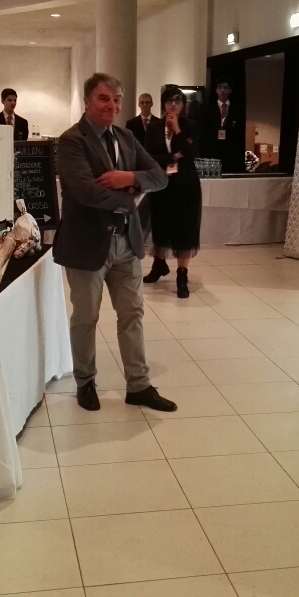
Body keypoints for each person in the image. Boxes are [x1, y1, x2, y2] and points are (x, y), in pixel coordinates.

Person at [53, 72, 176, 413]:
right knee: (86, 318)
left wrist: (128, 177)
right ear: (87, 101)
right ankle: (85, 382)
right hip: (86, 244)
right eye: (104, 98)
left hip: (126, 243)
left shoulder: (126, 137)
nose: (112, 105)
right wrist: (132, 199)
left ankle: (139, 386)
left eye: (117, 99)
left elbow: (160, 177)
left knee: (132, 314)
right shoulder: (71, 141)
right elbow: (85, 191)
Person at [143, 86, 202, 298]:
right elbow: (148, 156)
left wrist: (177, 129)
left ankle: (182, 275)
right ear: (163, 105)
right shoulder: (153, 127)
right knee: (160, 226)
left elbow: (191, 154)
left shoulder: (191, 126)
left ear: (183, 105)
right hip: (161, 184)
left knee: (184, 231)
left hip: (186, 185)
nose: (173, 105)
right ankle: (159, 265)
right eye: (169, 101)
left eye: (178, 101)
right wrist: (173, 157)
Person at [205, 81, 243, 173]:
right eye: (220, 87)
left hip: (231, 152)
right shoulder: (209, 109)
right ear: (216, 90)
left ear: (230, 90)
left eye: (225, 88)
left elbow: (239, 133)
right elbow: (205, 132)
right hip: (213, 151)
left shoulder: (236, 109)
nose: (222, 90)